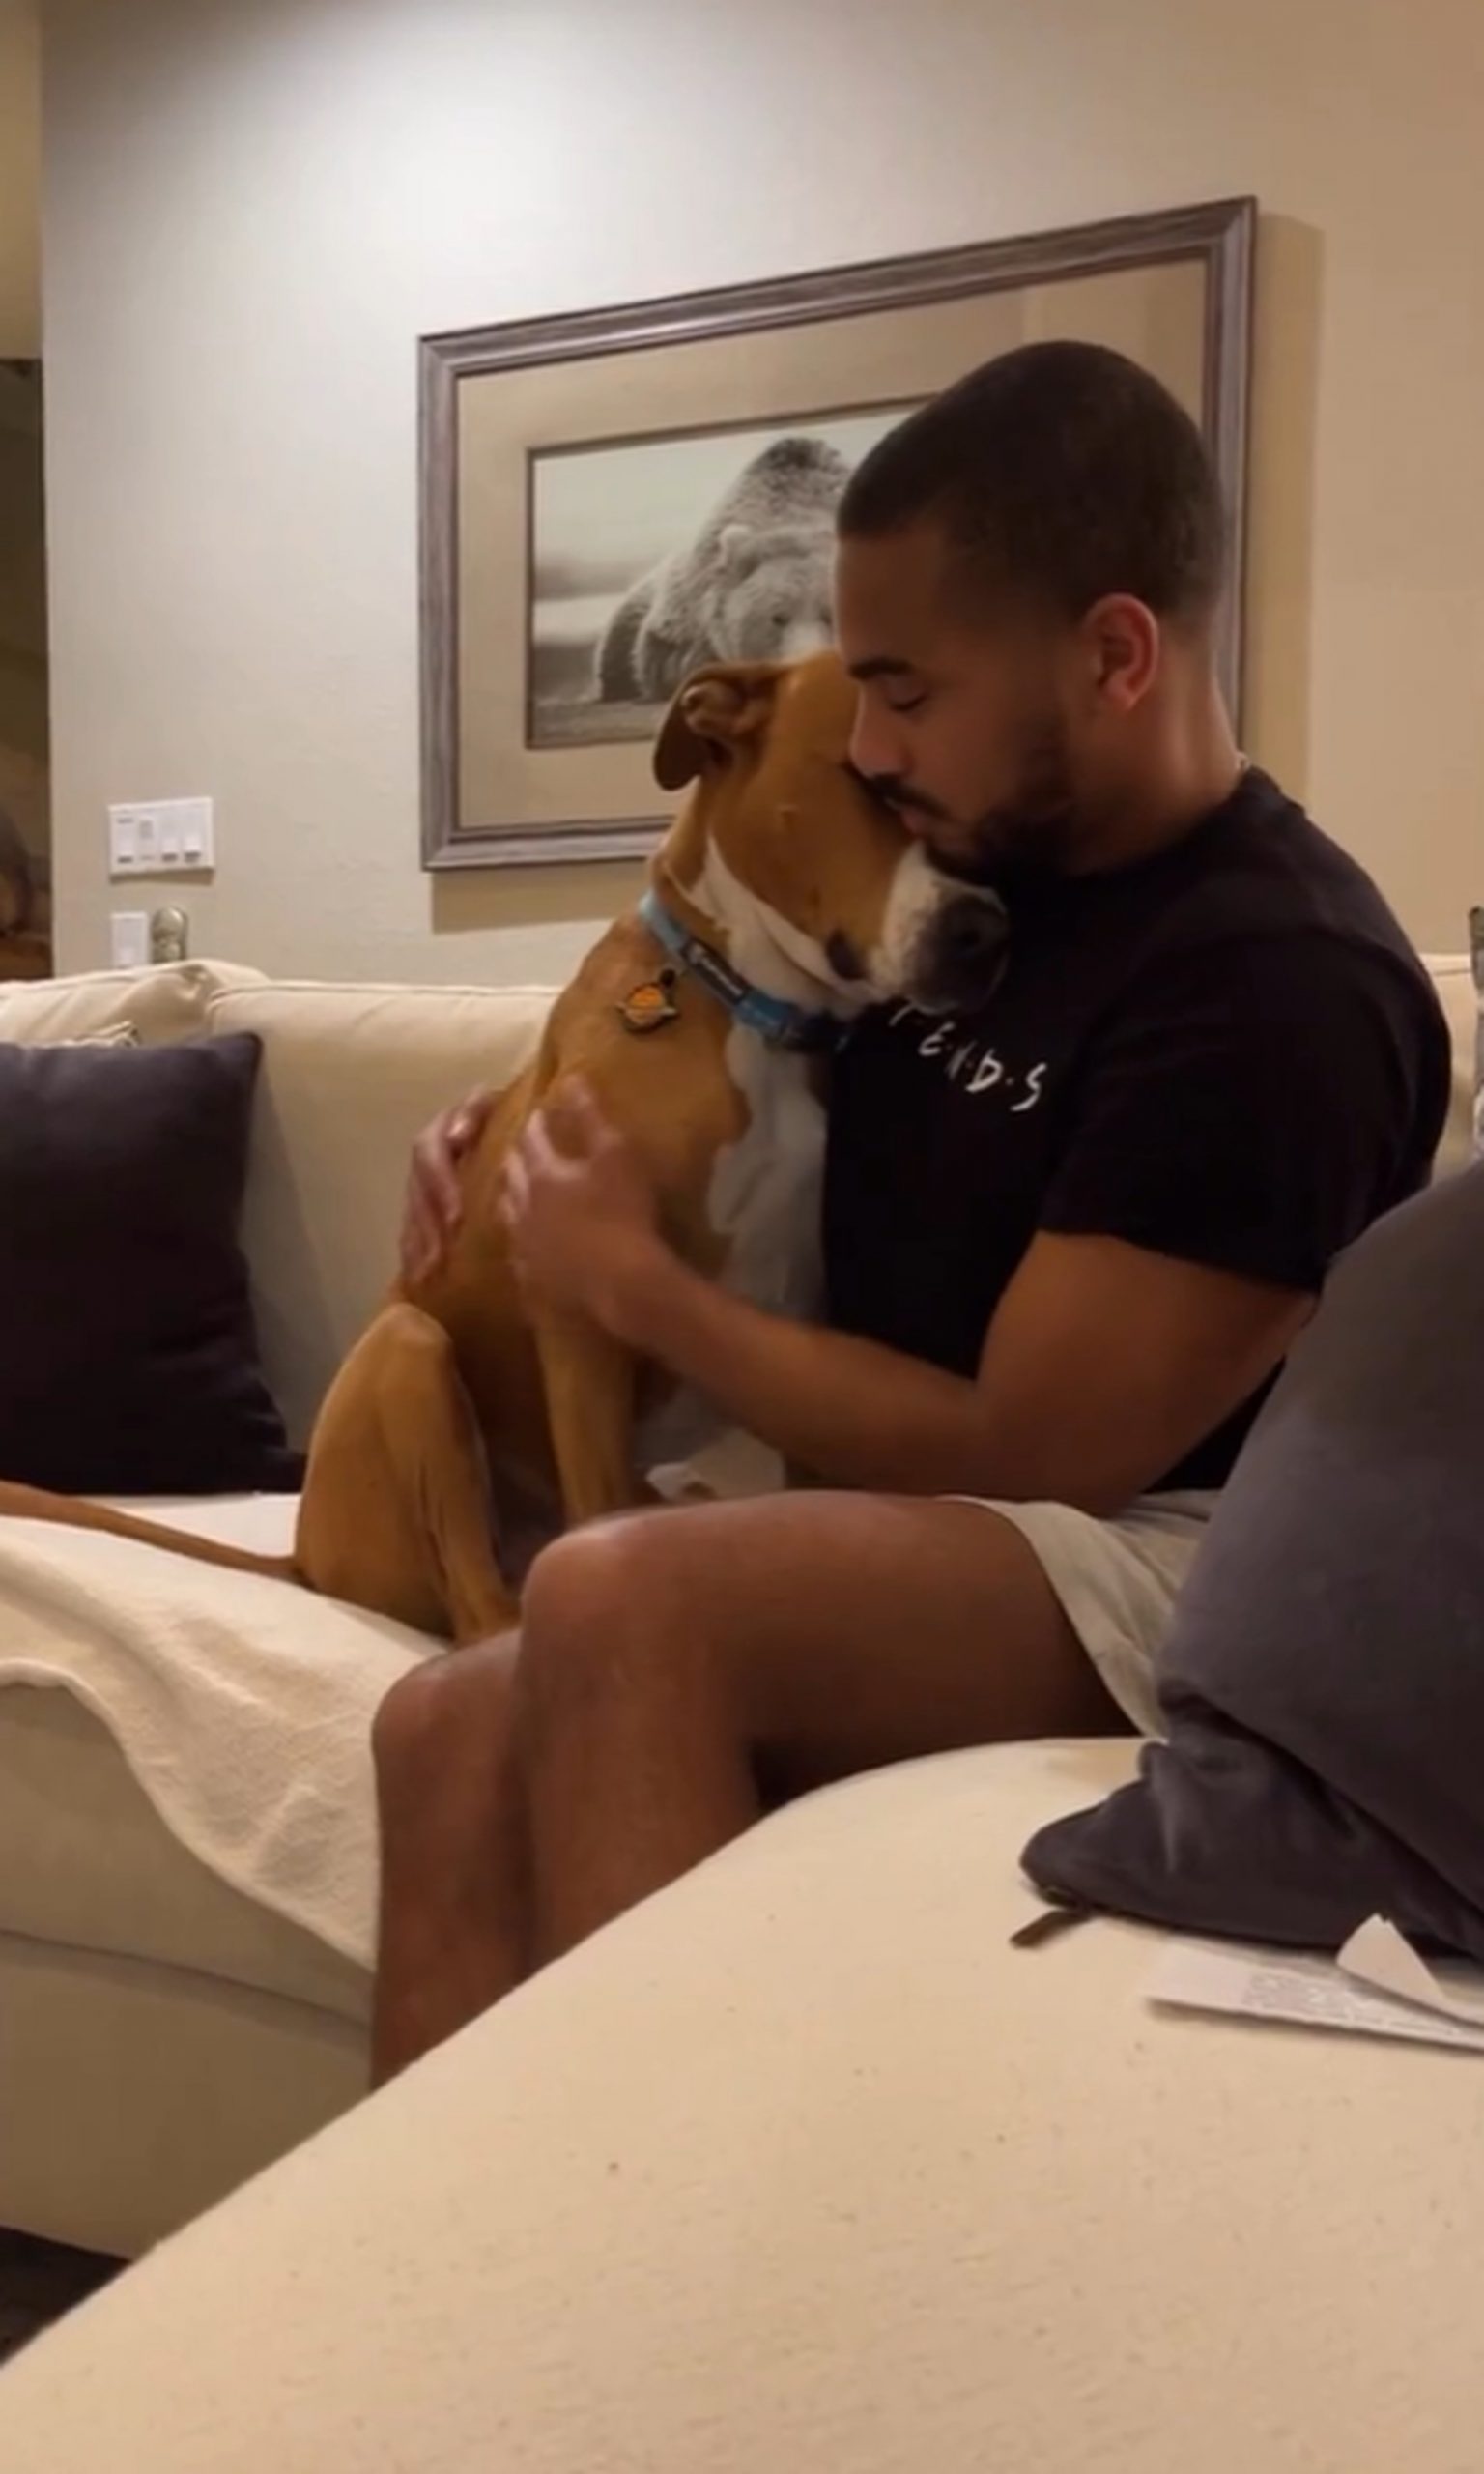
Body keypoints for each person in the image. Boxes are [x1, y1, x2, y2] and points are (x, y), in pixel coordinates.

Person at [372, 342, 1450, 2080]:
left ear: (1112, 654)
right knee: (435, 1727)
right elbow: (713, 995)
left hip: (1164, 1554)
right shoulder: (981, 875)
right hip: (948, 1502)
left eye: (906, 690)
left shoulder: (1276, 979)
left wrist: (637, 1288)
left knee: (625, 1597)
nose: (870, 745)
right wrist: (509, 1151)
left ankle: (682, 2261)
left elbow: (1035, 1448)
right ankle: (439, 2295)